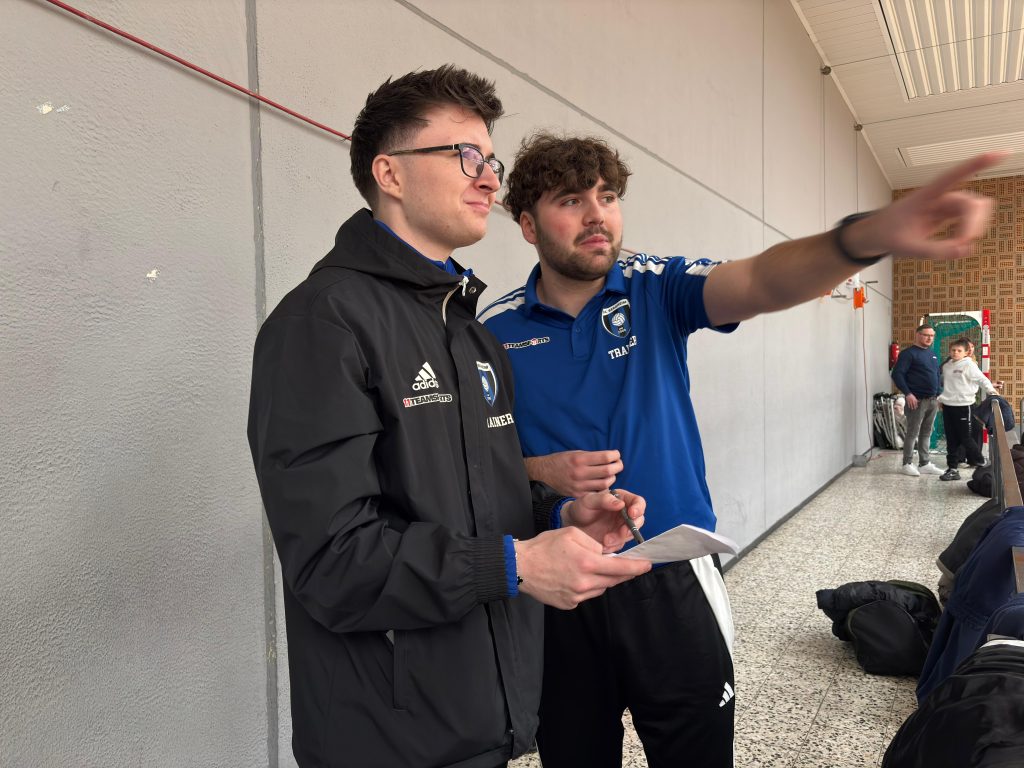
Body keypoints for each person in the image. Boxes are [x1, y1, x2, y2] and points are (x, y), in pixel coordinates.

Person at [479, 131, 999, 768]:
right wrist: (539, 469)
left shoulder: (654, 287)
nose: (597, 215)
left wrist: (863, 239)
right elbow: (471, 460)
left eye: (608, 196)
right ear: (528, 225)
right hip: (558, 581)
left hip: (671, 568)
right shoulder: (492, 331)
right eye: (570, 200)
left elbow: (759, 279)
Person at [246, 68, 651, 768]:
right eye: (465, 156)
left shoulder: (468, 333)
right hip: (385, 737)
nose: (490, 179)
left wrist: (559, 517)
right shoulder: (322, 323)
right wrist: (516, 565)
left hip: (479, 718)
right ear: (390, 174)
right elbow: (331, 559)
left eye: (490, 160)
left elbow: (472, 498)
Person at [937, 338, 998, 480]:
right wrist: (940, 399)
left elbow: (982, 379)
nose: (955, 353)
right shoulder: (946, 366)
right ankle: (952, 469)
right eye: (953, 350)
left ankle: (982, 462)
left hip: (964, 406)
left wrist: (991, 390)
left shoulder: (969, 364)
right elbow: (944, 385)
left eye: (959, 351)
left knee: (965, 438)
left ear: (965, 352)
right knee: (951, 439)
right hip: (948, 407)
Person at [892, 325, 944, 477]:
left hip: (932, 400)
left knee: (926, 432)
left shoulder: (932, 354)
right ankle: (907, 463)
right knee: (912, 432)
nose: (929, 338)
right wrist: (908, 394)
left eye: (932, 336)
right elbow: (897, 375)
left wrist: (938, 395)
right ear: (917, 335)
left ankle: (924, 463)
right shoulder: (908, 354)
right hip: (916, 400)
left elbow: (936, 375)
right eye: (926, 335)